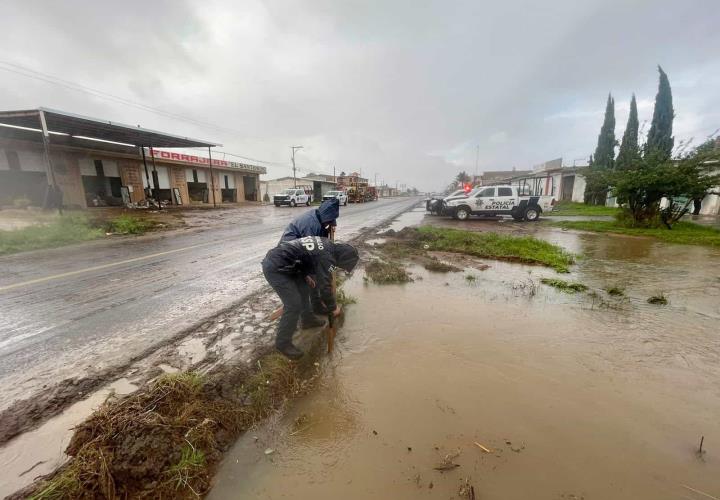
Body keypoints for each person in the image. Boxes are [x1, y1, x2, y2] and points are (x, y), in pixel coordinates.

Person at [262, 236, 359, 360]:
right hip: (276, 268)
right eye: (343, 266)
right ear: (342, 258)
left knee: (304, 288)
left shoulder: (328, 245)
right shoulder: (327, 257)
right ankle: (283, 343)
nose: (341, 267)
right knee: (293, 304)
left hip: (290, 264)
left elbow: (305, 256)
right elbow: (325, 287)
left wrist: (306, 275)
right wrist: (333, 307)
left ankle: (307, 320)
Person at [279, 197, 341, 316]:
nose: (329, 225)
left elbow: (320, 243)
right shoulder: (311, 226)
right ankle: (307, 318)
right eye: (329, 222)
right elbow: (311, 251)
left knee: (314, 276)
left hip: (299, 251)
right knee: (306, 283)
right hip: (289, 255)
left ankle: (316, 307)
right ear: (325, 217)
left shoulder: (318, 218)